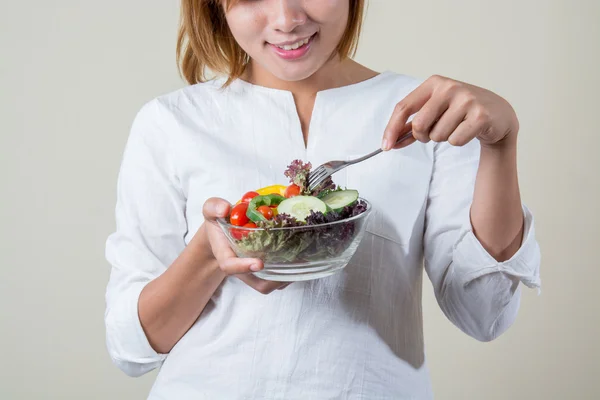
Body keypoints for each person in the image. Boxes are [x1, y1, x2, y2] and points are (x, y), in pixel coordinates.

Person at [104, 0, 541, 398]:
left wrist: (501, 145)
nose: (286, 20)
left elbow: (485, 315)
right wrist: (207, 252)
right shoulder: (172, 123)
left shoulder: (426, 114)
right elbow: (132, 347)